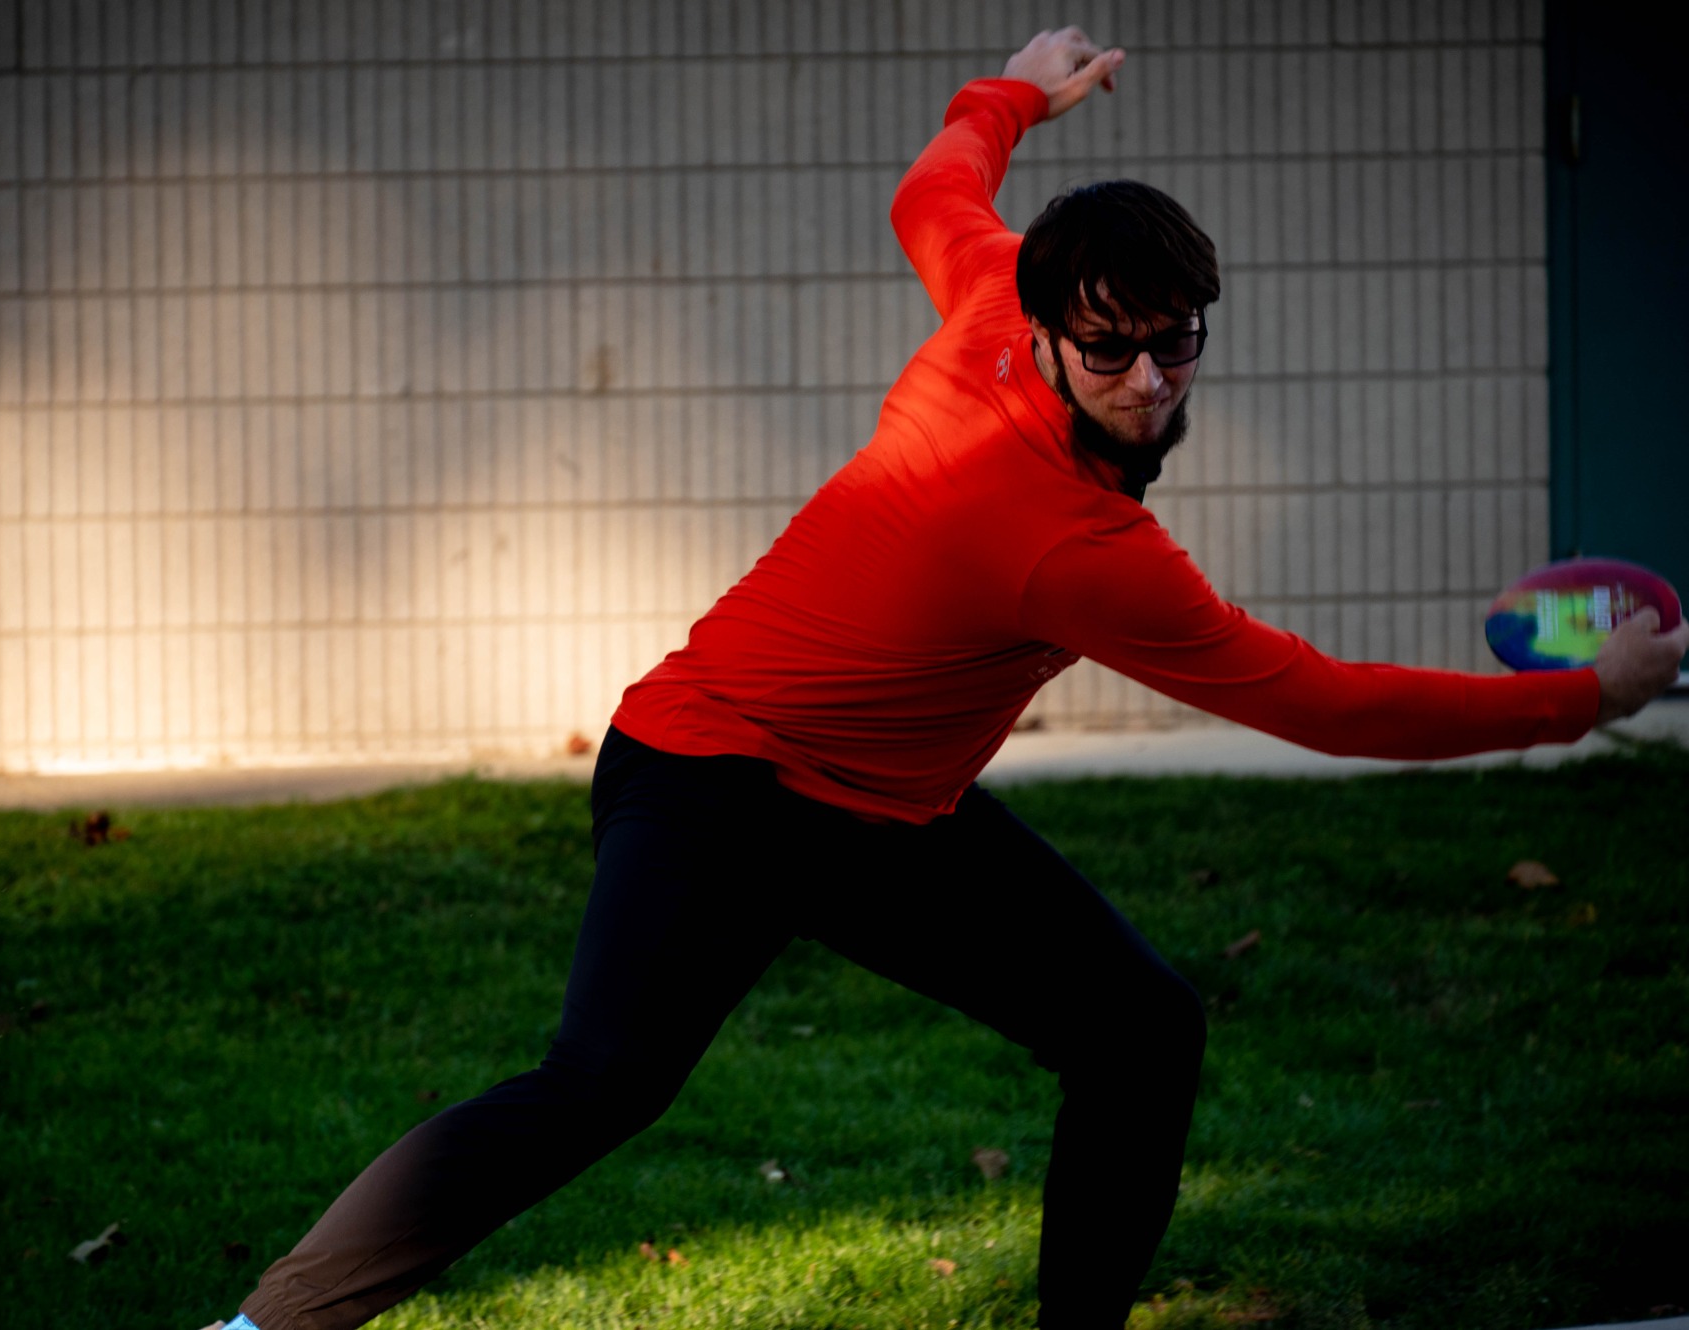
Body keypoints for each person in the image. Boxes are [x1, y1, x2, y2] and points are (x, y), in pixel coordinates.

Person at [210, 28, 1689, 1330]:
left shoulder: (992, 295)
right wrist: (1584, 698)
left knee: (1139, 1028)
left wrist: (1017, 95)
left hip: (880, 808)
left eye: (1175, 342)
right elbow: (1320, 701)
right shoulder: (1069, 543)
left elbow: (934, 191)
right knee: (600, 1085)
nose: (1149, 378)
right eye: (1109, 348)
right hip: (713, 771)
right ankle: (271, 1326)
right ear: (1046, 335)